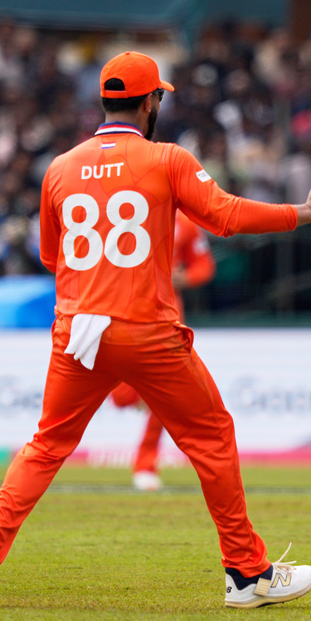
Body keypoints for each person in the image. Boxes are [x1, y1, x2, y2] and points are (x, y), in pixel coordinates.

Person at [0, 50, 311, 609]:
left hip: (77, 332)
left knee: (45, 447)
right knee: (211, 439)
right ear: (151, 102)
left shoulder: (61, 166)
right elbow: (228, 216)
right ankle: (246, 573)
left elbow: (51, 256)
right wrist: (305, 213)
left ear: (105, 101)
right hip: (145, 329)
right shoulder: (167, 158)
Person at [109, 209, 217, 491]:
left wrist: (187, 278)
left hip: (167, 315)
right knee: (121, 397)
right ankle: (141, 394)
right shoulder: (126, 211)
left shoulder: (185, 224)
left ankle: (145, 464)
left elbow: (203, 264)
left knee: (164, 394)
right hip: (121, 311)